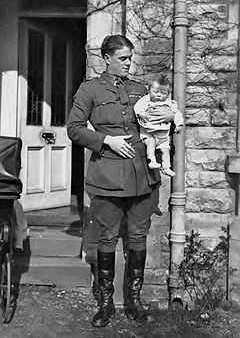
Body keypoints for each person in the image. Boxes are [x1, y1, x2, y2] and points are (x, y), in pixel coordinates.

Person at [67, 35, 174, 328]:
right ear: (107, 58)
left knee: (138, 237)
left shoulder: (140, 89)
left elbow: (158, 123)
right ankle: (105, 303)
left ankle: (134, 301)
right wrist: (106, 140)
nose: (129, 63)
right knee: (107, 238)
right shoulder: (89, 90)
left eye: (130, 57)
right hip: (107, 177)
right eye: (123, 58)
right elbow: (74, 129)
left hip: (142, 178)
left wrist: (169, 117)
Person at [134, 76, 184, 176]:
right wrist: (141, 113)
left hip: (163, 135)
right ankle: (152, 160)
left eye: (163, 93)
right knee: (150, 144)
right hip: (149, 133)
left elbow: (177, 114)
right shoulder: (145, 101)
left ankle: (166, 167)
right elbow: (137, 107)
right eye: (155, 92)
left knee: (166, 150)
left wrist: (179, 124)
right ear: (149, 90)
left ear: (168, 94)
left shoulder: (170, 103)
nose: (159, 95)